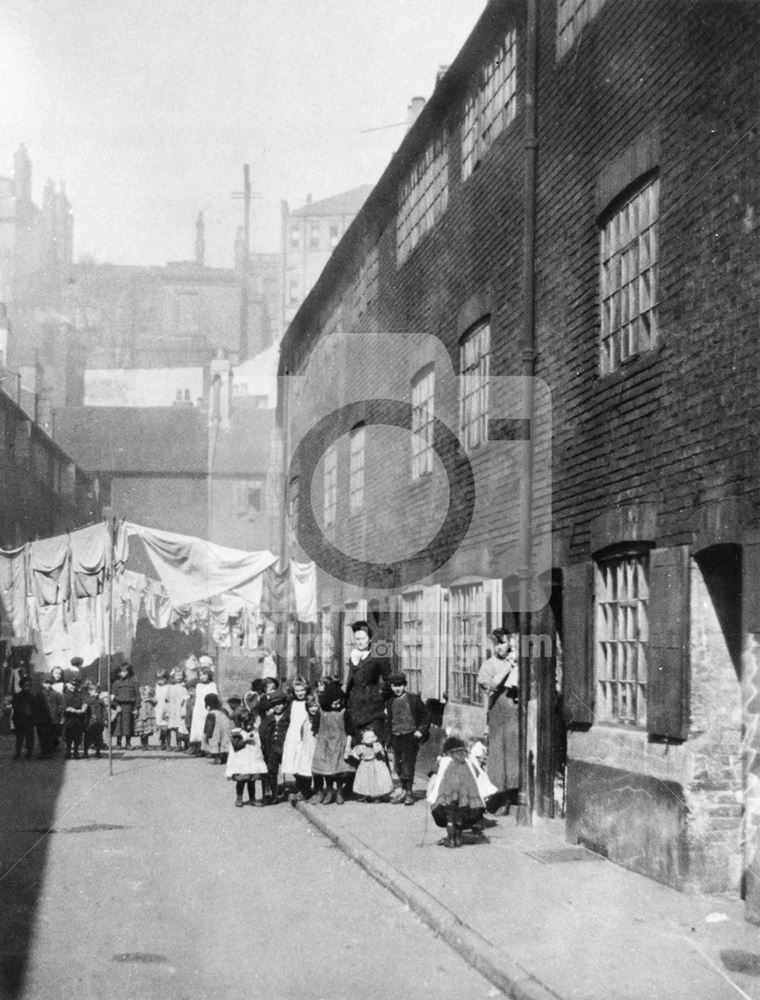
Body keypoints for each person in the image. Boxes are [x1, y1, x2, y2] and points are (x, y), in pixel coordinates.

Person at [476, 628, 519, 815]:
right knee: (498, 755)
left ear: (511, 643)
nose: (498, 647)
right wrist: (509, 667)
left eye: (502, 642)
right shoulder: (489, 664)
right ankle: (500, 795)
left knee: (512, 753)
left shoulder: (519, 662)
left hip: (515, 712)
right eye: (496, 644)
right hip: (498, 712)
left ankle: (511, 795)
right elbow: (491, 685)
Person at [427, 730, 487, 848]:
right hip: (466, 794)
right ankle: (458, 839)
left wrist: (430, 792)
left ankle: (451, 839)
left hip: (447, 793)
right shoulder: (468, 761)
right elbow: (478, 773)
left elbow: (433, 777)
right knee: (460, 816)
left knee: (450, 816)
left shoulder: (443, 761)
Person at [386, 672, 430, 805]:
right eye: (394, 686)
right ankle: (404, 791)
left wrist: (421, 730)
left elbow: (426, 715)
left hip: (410, 736)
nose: (397, 689)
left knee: (408, 763)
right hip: (396, 736)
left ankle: (409, 792)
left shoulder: (413, 699)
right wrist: (388, 740)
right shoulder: (390, 701)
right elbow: (388, 721)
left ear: (405, 685)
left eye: (399, 685)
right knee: (398, 765)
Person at [344, 620, 392, 741]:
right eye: (357, 639)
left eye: (363, 638)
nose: (360, 642)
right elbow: (351, 680)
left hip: (373, 706)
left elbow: (389, 679)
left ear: (370, 638)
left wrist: (380, 695)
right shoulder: (353, 655)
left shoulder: (379, 651)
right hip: (355, 705)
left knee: (372, 741)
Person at [311, 681, 352, 804]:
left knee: (339, 770)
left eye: (339, 701)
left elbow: (350, 730)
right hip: (324, 745)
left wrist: (348, 747)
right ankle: (329, 791)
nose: (337, 704)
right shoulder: (322, 712)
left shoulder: (344, 712)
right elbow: (316, 729)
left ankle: (339, 791)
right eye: (334, 701)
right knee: (327, 770)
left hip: (340, 743)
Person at [226, 700, 269, 807]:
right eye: (246, 723)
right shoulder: (237, 732)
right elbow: (236, 745)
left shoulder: (254, 730)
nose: (249, 725)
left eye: (250, 722)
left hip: (252, 759)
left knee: (252, 780)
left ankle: (252, 798)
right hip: (242, 761)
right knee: (241, 780)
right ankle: (239, 797)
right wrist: (245, 741)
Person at [347, 727, 393, 803]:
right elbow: (353, 752)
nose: (371, 739)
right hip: (365, 766)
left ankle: (380, 795)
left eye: (373, 737)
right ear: (362, 740)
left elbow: (383, 754)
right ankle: (368, 795)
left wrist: (379, 752)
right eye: (368, 738)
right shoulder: (360, 747)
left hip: (377, 764)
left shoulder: (377, 745)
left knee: (379, 780)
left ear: (376, 737)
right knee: (366, 781)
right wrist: (355, 755)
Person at [280, 676, 310, 794]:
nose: (300, 693)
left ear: (306, 690)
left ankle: (305, 790)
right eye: (297, 691)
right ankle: (299, 787)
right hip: (293, 736)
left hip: (305, 736)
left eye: (302, 690)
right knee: (293, 763)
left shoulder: (309, 702)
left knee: (304, 763)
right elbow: (286, 719)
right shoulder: (292, 703)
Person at [259, 692, 290, 802]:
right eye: (274, 704)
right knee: (272, 771)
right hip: (272, 749)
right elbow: (262, 732)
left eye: (280, 704)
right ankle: (274, 794)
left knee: (286, 769)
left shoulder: (288, 717)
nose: (277, 706)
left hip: (285, 748)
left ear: (285, 704)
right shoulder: (269, 718)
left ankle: (287, 789)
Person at [292, 693, 320, 801]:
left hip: (316, 748)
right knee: (303, 770)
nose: (313, 709)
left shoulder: (320, 719)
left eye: (316, 706)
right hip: (306, 748)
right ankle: (304, 791)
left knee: (315, 772)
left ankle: (318, 792)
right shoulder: (305, 720)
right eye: (311, 706)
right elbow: (302, 733)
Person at [189, 657, 217, 754]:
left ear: (209, 675)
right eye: (200, 675)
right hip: (198, 709)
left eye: (204, 675)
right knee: (197, 727)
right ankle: (198, 748)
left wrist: (211, 707)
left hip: (207, 708)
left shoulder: (212, 685)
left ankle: (206, 748)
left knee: (206, 727)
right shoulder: (199, 686)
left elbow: (214, 696)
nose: (202, 677)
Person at [112, 662, 140, 749]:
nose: (122, 673)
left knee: (128, 725)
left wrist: (136, 707)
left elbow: (137, 695)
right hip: (119, 706)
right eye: (121, 672)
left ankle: (128, 743)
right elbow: (113, 696)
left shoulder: (134, 682)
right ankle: (118, 743)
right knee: (118, 725)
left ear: (129, 672)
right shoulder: (116, 683)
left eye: (125, 671)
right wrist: (116, 706)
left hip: (129, 706)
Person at [34, 672, 63, 758]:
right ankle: (44, 752)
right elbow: (36, 707)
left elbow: (61, 705)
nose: (48, 685)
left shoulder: (56, 694)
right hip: (42, 719)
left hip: (53, 719)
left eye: (50, 683)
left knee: (51, 735)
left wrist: (59, 713)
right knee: (42, 735)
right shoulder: (39, 694)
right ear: (42, 683)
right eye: (46, 683)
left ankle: (50, 752)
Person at [62, 673, 89, 760]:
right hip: (69, 718)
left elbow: (85, 702)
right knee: (69, 736)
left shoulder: (80, 694)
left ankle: (76, 752)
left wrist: (83, 708)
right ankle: (68, 751)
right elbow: (64, 706)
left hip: (78, 719)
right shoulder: (65, 695)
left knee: (78, 736)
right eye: (72, 684)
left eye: (76, 684)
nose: (73, 686)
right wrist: (74, 710)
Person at [202, 692, 233, 764]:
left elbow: (209, 726)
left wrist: (206, 735)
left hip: (215, 732)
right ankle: (224, 757)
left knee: (215, 743)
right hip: (224, 731)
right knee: (224, 743)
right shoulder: (222, 711)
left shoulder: (211, 713)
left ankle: (217, 758)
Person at [11, 676, 36, 759]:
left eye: (29, 686)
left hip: (29, 720)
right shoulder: (17, 696)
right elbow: (16, 707)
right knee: (19, 737)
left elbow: (34, 708)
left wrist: (31, 714)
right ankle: (18, 752)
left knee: (30, 737)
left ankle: (29, 752)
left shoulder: (32, 697)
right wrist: (25, 712)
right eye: (25, 686)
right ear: (21, 686)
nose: (27, 688)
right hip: (19, 720)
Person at [83, 681, 106, 758]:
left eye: (97, 691)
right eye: (94, 691)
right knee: (87, 737)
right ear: (89, 691)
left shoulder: (100, 701)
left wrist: (105, 718)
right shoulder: (87, 700)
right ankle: (85, 752)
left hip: (99, 721)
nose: (96, 693)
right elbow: (84, 710)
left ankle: (98, 751)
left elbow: (104, 710)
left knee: (98, 737)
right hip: (90, 721)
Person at [134, 685, 156, 749]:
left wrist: (150, 698)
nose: (145, 696)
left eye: (147, 694)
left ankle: (146, 744)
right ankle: (143, 744)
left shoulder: (150, 700)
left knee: (147, 732)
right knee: (142, 732)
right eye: (144, 694)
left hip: (148, 717)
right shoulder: (140, 700)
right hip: (142, 717)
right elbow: (140, 708)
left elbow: (155, 701)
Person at [154, 670, 171, 750]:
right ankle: (162, 743)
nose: (160, 681)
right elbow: (155, 697)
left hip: (165, 708)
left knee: (166, 727)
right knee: (160, 727)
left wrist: (168, 709)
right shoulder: (156, 687)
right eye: (158, 679)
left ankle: (169, 744)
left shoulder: (168, 687)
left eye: (162, 679)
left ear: (166, 678)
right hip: (158, 708)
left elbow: (169, 699)